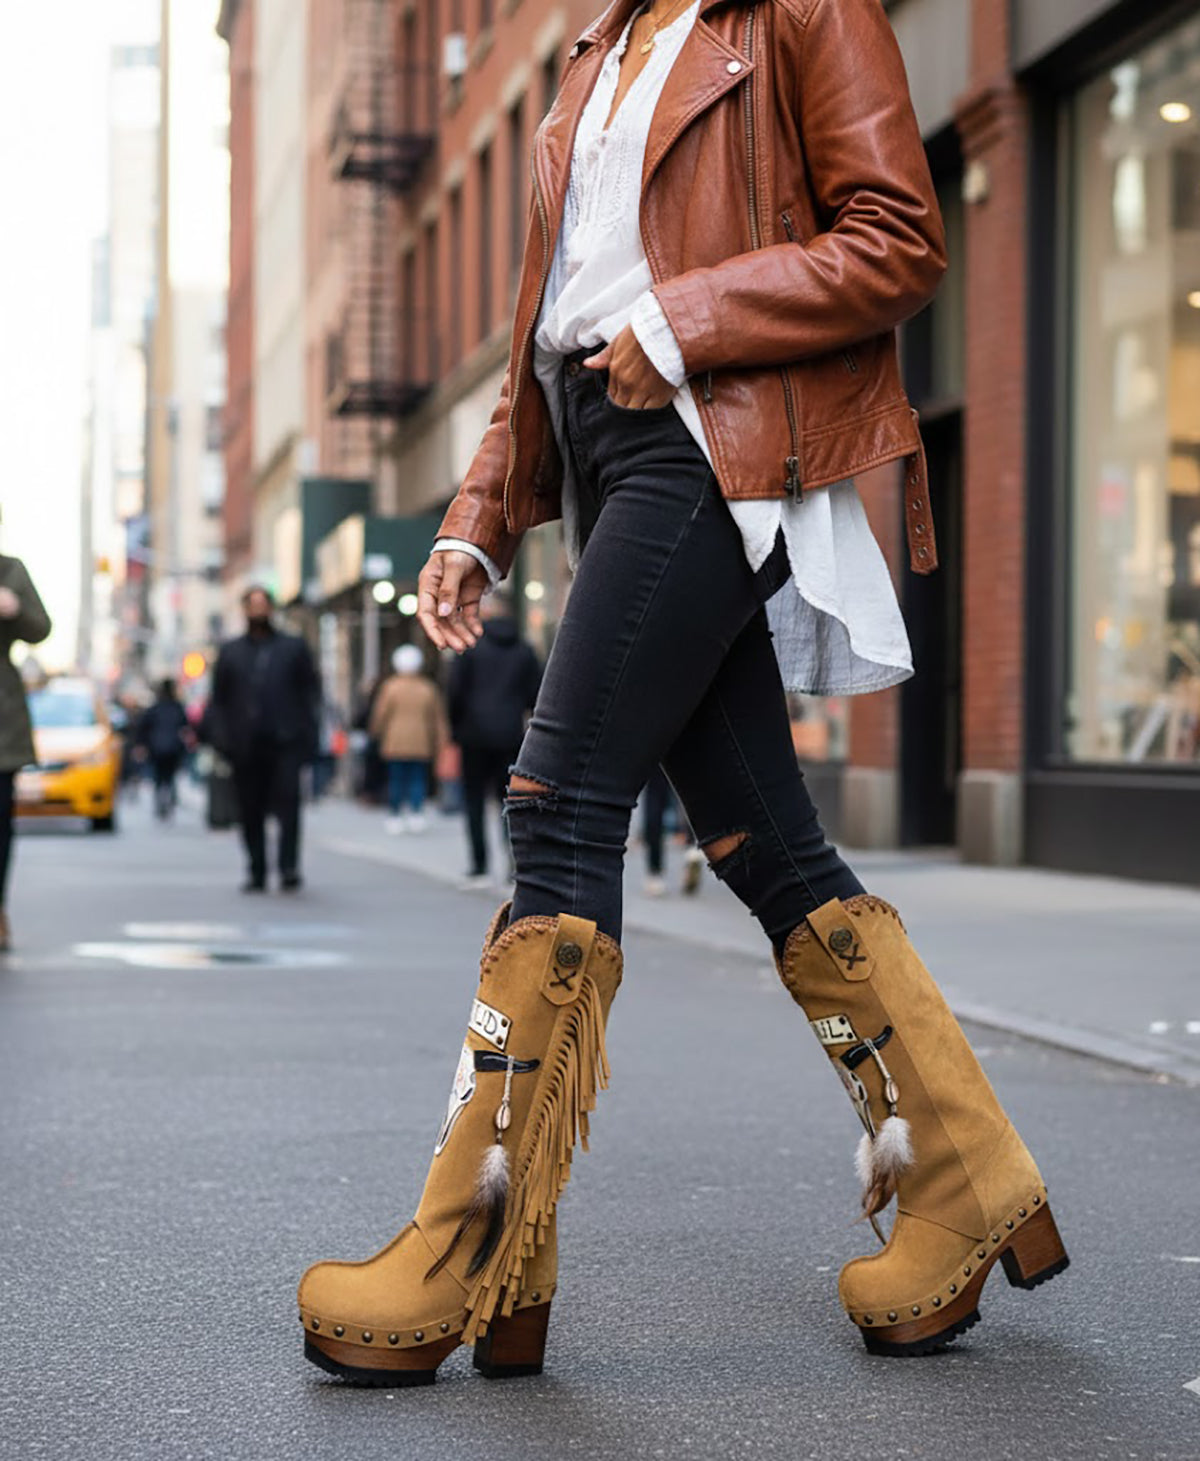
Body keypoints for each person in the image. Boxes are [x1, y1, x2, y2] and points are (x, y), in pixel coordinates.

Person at [298, 0, 1066, 1384]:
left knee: (559, 800)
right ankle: (966, 1178)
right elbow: (546, 327)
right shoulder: (595, 51)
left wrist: (686, 316)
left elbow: (899, 235)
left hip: (707, 433)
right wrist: (476, 516)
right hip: (606, 443)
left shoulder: (799, 13)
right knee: (766, 842)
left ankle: (473, 1246)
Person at [208, 587, 320, 892]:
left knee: (289, 808)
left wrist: (308, 736)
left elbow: (311, 694)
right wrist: (222, 740)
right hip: (244, 747)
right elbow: (218, 701)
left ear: (271, 608)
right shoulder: (230, 652)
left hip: (286, 742)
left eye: (263, 604)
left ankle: (288, 868)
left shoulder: (293, 647)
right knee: (250, 810)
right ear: (244, 610)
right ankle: (257, 869)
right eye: (252, 605)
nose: (258, 611)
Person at [446, 589, 541, 887]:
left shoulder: (471, 647)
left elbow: (454, 692)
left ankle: (479, 864)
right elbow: (536, 695)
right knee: (510, 801)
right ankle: (513, 862)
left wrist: (456, 727)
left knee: (474, 800)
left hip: (473, 735)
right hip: (511, 734)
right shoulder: (525, 649)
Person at [0, 550, 51, 952]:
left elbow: (40, 628)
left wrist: (14, 608)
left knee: (0, 824)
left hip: (3, 727)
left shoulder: (9, 570)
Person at [369, 644, 448, 834]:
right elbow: (438, 717)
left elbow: (380, 714)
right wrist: (442, 740)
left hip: (394, 741)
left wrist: (375, 733)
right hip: (421, 741)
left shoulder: (390, 687)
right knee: (417, 779)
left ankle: (395, 815)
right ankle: (416, 813)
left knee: (396, 779)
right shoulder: (428, 688)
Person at [137, 679, 191, 820]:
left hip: (157, 748)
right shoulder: (177, 707)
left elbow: (143, 728)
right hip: (173, 748)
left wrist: (142, 745)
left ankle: (161, 801)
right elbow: (185, 727)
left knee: (159, 776)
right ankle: (168, 799)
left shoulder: (154, 708)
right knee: (169, 775)